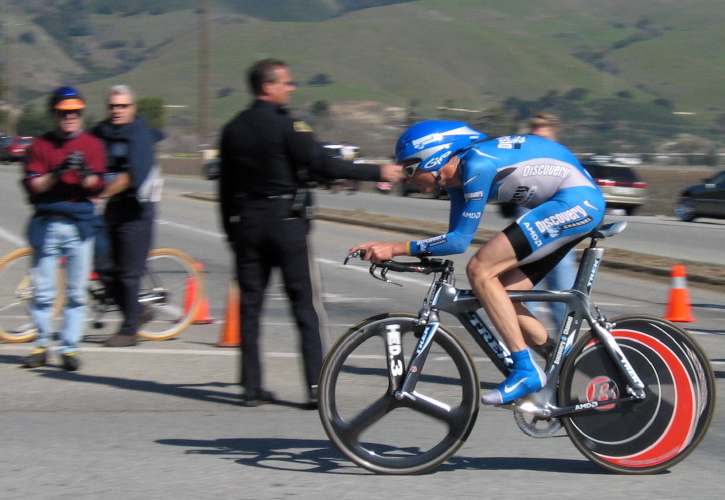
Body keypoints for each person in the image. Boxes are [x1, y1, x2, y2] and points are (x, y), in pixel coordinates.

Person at [350, 120, 605, 405]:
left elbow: (459, 242)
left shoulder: (476, 166)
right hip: (570, 203)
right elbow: (452, 240)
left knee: (481, 270)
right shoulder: (458, 180)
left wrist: (395, 248)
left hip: (577, 202)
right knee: (505, 292)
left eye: (410, 168)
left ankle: (525, 369)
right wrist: (397, 251)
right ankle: (563, 363)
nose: (407, 178)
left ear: (434, 158)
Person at [218, 58, 403, 408]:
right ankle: (317, 388)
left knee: (250, 308)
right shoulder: (287, 126)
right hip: (285, 223)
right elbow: (324, 165)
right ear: (268, 87)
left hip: (248, 223)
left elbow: (226, 188)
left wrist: (231, 231)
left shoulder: (233, 129)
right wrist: (378, 171)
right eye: (286, 83)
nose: (291, 88)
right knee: (305, 307)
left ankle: (251, 387)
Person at [21, 86, 107, 371]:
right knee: (43, 291)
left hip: (79, 225)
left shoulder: (93, 145)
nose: (70, 117)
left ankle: (69, 348)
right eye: (64, 113)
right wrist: (57, 172)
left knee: (76, 292)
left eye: (76, 112)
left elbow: (98, 187)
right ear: (54, 114)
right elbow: (34, 185)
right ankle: (42, 344)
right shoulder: (39, 146)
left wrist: (84, 173)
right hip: (47, 223)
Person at [92, 85, 165, 347]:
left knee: (128, 272)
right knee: (101, 265)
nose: (117, 111)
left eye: (123, 106)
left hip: (137, 211)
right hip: (114, 208)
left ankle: (129, 329)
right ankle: (137, 310)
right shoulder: (102, 132)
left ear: (133, 108)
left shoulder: (139, 136)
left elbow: (132, 176)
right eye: (113, 106)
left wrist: (101, 193)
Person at [505, 112, 577, 335]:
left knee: (562, 303)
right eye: (534, 136)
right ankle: (529, 361)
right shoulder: (522, 161)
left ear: (555, 140)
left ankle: (565, 359)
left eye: (543, 137)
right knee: (520, 303)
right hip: (527, 240)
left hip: (559, 241)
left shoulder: (565, 161)